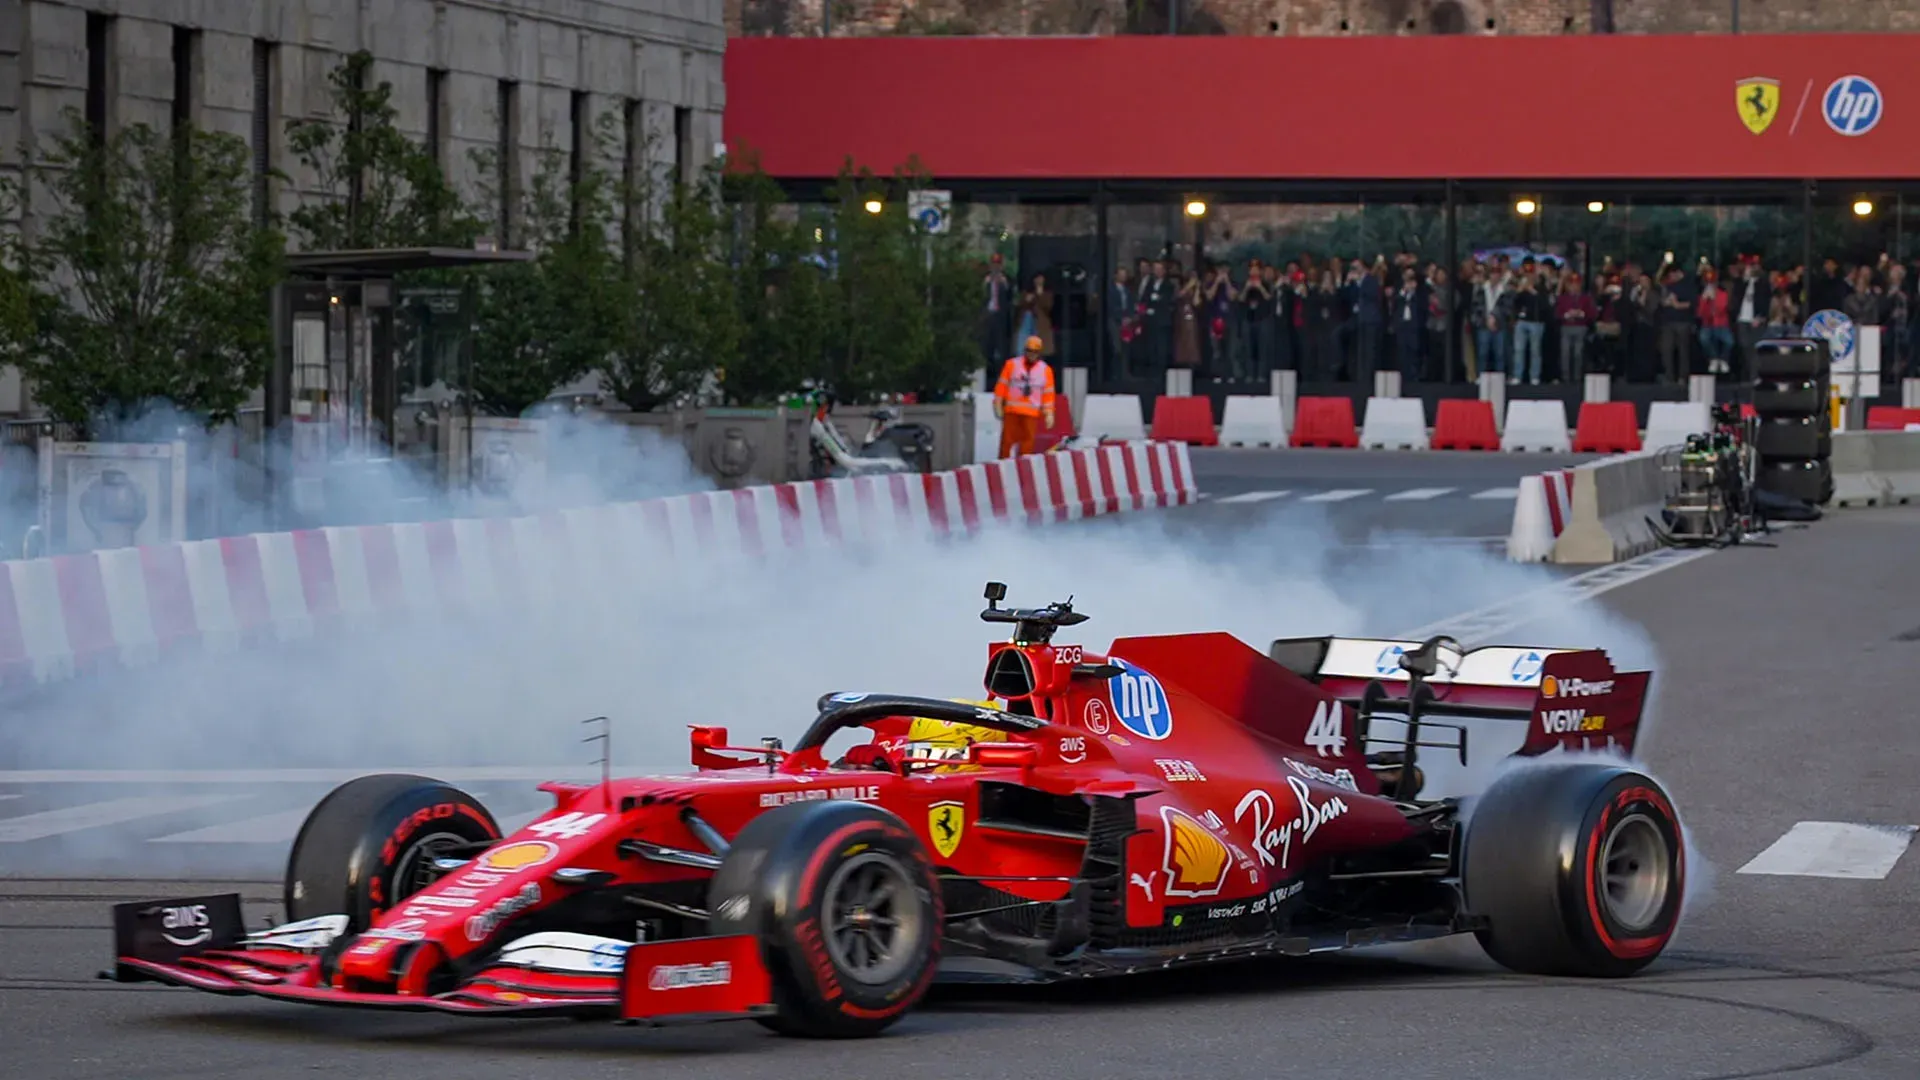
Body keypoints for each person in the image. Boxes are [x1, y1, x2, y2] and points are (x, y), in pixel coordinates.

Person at [992, 336, 1056, 458]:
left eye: (1035, 352)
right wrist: (998, 403)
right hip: (1012, 411)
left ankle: (1023, 467)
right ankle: (1002, 465)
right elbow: (1002, 386)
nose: (1031, 354)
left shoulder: (1045, 370)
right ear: (1025, 350)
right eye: (1029, 351)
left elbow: (1048, 394)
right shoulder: (1011, 365)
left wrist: (1049, 413)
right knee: (1006, 441)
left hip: (1031, 413)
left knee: (1028, 443)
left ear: (1039, 353)